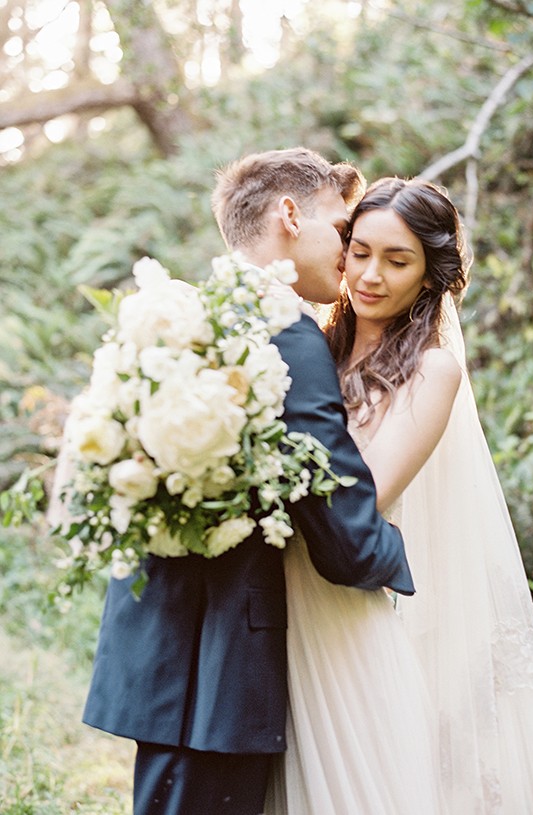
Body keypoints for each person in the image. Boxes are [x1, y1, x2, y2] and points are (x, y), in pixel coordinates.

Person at [81, 149, 419, 815]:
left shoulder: (183, 320)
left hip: (161, 652)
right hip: (222, 668)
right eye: (343, 229)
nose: (350, 254)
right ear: (290, 214)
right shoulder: (288, 337)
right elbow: (342, 530)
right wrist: (409, 559)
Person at [268, 176, 533, 813]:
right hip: (282, 594)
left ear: (428, 277)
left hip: (352, 600)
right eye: (359, 251)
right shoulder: (309, 341)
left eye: (397, 262)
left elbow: (370, 490)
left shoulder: (431, 368)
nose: (370, 275)